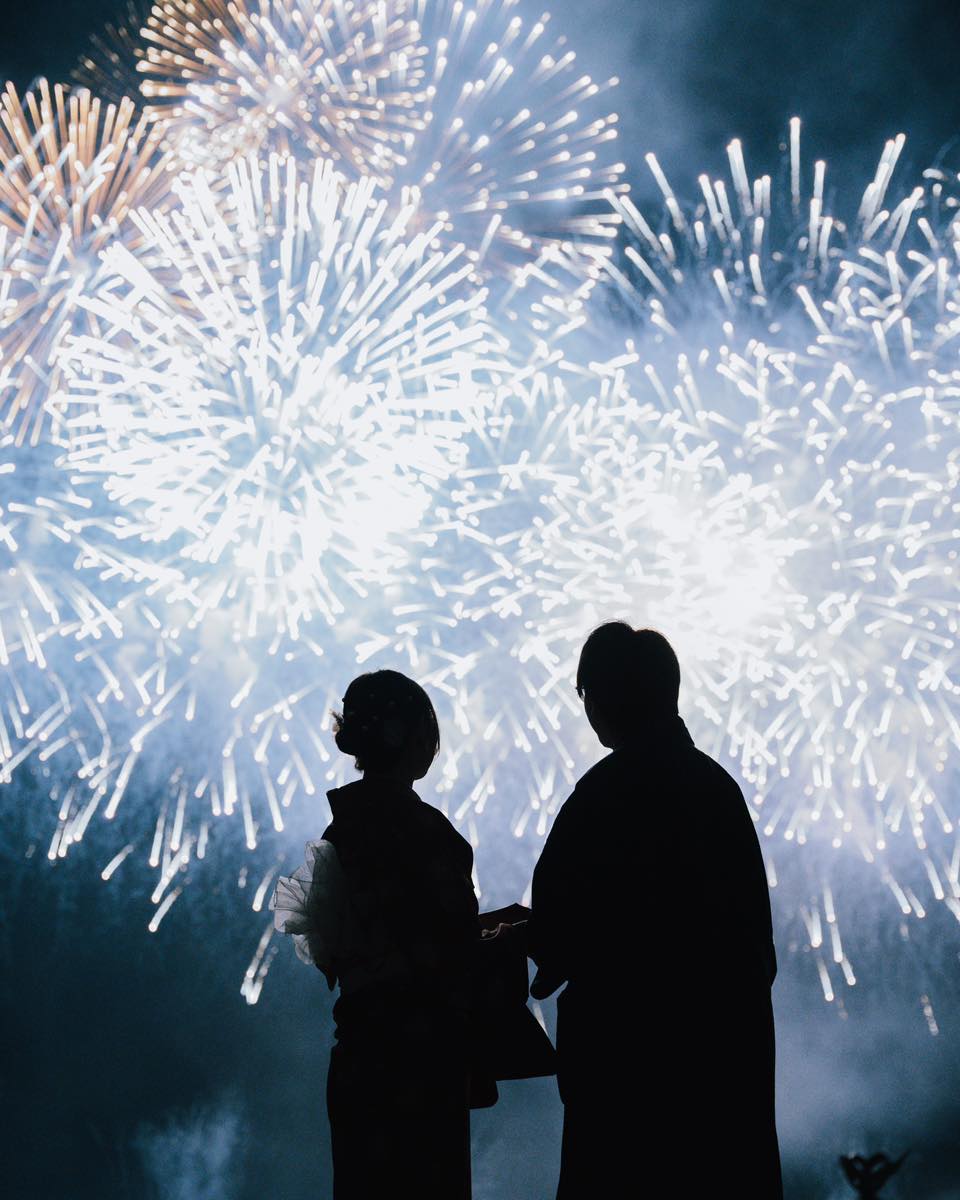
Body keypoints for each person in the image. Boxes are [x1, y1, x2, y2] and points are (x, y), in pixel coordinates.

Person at [529, 622, 782, 1198]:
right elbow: (755, 950)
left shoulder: (600, 797)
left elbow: (554, 940)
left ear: (605, 694)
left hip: (626, 1081)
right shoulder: (718, 790)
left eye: (585, 692)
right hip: (724, 1075)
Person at [272, 669, 478, 1200]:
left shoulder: (341, 833)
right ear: (403, 737)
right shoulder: (426, 834)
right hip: (421, 1064)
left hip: (362, 1058)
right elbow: (450, 947)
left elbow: (335, 951)